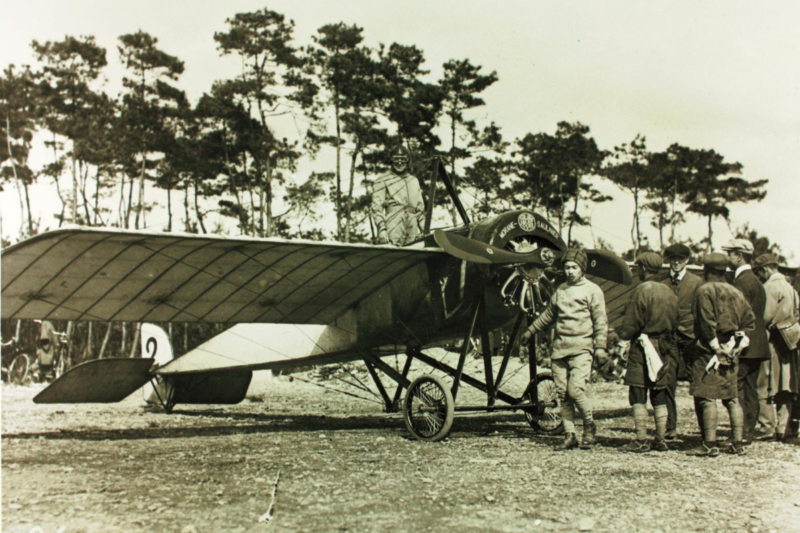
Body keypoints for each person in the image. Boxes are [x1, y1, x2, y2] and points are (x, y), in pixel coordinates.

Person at [521, 249, 608, 450]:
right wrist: (530, 332)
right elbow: (548, 315)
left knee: (575, 390)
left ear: (582, 269)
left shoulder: (593, 290)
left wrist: (600, 347)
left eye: (574, 267)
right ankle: (570, 435)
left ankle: (589, 426)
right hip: (560, 350)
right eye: (567, 267)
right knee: (562, 395)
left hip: (582, 349)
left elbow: (600, 321)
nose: (569, 271)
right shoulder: (560, 290)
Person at [687, 253, 756, 457]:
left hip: (709, 351)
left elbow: (705, 322)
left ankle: (709, 444)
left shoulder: (704, 291)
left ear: (706, 270)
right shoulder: (736, 291)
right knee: (732, 398)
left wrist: (717, 348)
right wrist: (736, 347)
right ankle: (737, 443)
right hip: (732, 350)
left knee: (707, 397)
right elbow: (749, 322)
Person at [616, 252, 679, 452]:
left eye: (638, 268)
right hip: (663, 347)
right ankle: (660, 439)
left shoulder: (641, 290)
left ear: (643, 269)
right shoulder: (669, 292)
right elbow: (676, 321)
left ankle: (641, 439)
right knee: (659, 392)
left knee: (637, 390)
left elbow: (631, 322)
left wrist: (622, 341)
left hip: (642, 347)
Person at [723, 239, 769, 443]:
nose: (727, 257)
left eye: (730, 253)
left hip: (744, 344)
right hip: (758, 344)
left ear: (738, 256)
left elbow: (737, 315)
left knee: (736, 388)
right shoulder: (757, 281)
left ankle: (739, 434)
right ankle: (748, 431)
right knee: (751, 389)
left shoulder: (741, 282)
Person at [753, 253, 800, 441]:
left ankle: (767, 426)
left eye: (759, 273)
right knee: (785, 384)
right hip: (789, 341)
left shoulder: (770, 287)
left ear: (765, 270)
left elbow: (764, 317)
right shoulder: (790, 287)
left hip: (771, 341)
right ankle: (783, 426)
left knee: (763, 383)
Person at [661, 243, 703, 439]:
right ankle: (670, 427)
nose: (676, 263)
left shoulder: (696, 283)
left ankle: (705, 430)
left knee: (698, 382)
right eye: (672, 259)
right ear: (668, 260)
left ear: (687, 260)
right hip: (670, 339)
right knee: (667, 381)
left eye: (681, 259)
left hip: (691, 339)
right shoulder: (663, 283)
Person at [371, 145, 425, 246]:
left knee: (413, 255)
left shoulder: (413, 181)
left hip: (412, 227)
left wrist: (424, 230)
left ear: (407, 160)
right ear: (391, 160)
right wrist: (382, 228)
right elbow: (376, 208)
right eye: (396, 159)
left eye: (403, 159)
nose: (399, 162)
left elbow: (420, 209)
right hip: (393, 225)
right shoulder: (382, 180)